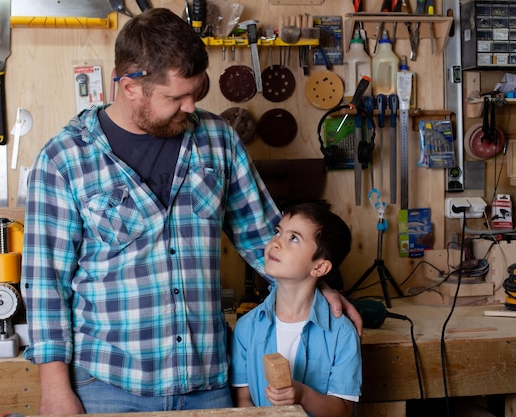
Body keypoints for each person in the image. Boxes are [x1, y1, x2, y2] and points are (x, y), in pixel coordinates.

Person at [21, 8, 362, 415]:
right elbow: (46, 287)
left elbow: (262, 239)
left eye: (196, 93)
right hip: (108, 386)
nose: (190, 107)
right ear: (130, 87)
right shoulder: (63, 160)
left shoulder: (217, 139)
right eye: (176, 97)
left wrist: (317, 288)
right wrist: (55, 391)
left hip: (207, 381)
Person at [230, 202, 362, 417]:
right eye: (277, 232)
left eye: (293, 238)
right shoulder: (247, 327)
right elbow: (243, 398)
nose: (275, 243)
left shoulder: (342, 333)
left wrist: (303, 395)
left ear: (320, 267)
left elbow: (343, 410)